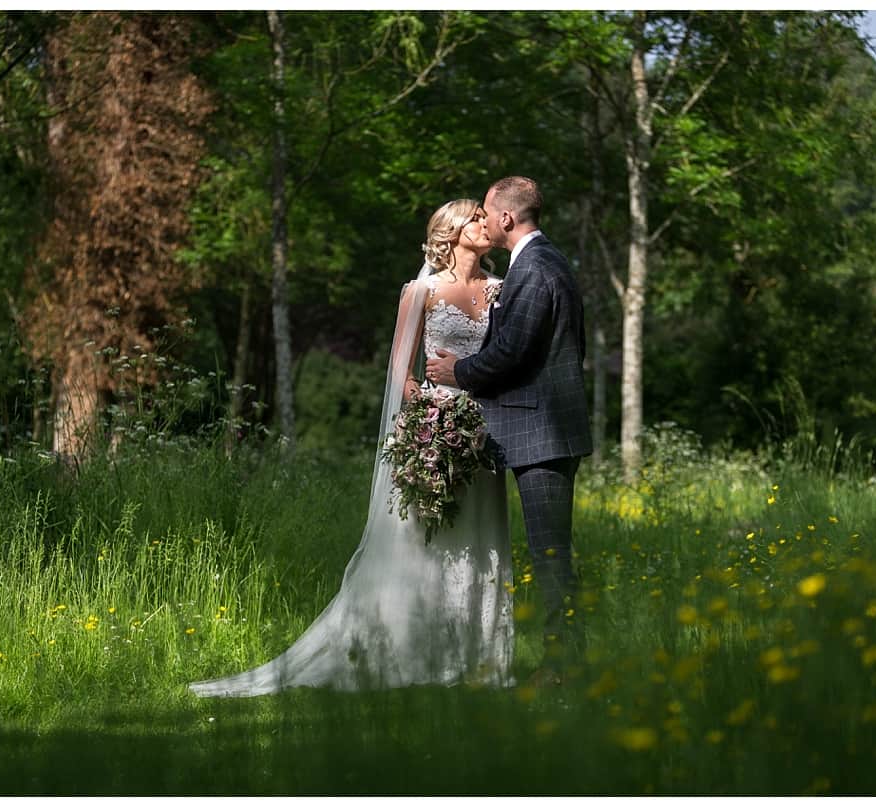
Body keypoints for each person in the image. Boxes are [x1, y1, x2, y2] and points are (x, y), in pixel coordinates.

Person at [190, 199, 513, 697]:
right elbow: (400, 374)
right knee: (428, 541)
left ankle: (477, 656)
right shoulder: (420, 293)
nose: (485, 224)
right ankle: (412, 651)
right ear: (450, 231)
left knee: (479, 536)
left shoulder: (500, 291)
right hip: (437, 432)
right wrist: (434, 416)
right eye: (474, 217)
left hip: (486, 434)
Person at [426, 176, 592, 687]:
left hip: (542, 433)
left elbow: (511, 352)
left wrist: (459, 373)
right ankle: (566, 663)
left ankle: (564, 669)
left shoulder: (535, 269)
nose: (483, 219)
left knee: (550, 554)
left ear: (504, 219)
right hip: (542, 429)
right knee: (550, 552)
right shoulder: (545, 262)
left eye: (487, 211)